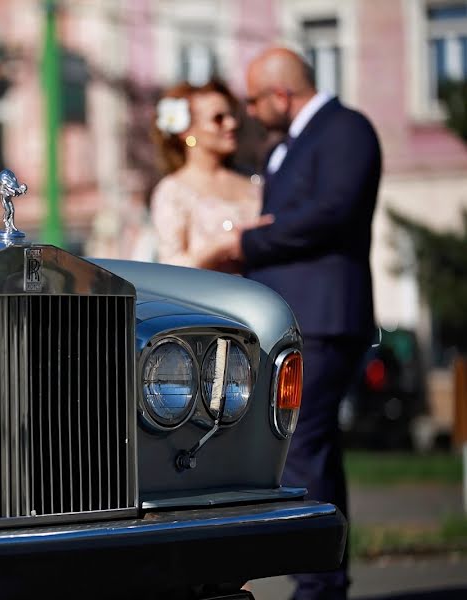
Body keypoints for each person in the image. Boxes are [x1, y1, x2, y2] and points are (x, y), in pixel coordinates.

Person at [225, 47, 382, 600]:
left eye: (252, 98)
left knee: (301, 448)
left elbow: (331, 213)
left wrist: (244, 240)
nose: (248, 110)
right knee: (313, 448)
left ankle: (317, 586)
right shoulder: (284, 147)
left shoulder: (346, 129)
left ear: (281, 94)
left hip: (325, 317)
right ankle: (326, 581)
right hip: (301, 316)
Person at [140, 79, 270, 272]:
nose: (231, 124)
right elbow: (170, 271)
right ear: (186, 130)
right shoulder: (173, 191)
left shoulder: (255, 179)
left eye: (232, 115)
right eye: (218, 118)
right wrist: (221, 246)